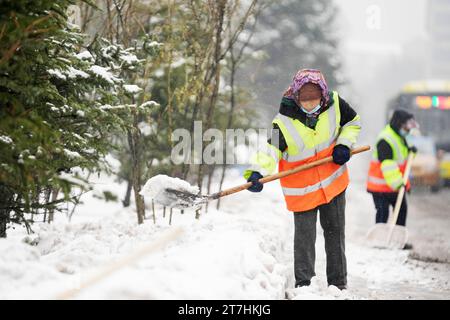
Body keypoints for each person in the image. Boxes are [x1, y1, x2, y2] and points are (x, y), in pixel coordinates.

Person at [244, 69, 361, 290]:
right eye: (305, 102)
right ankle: (303, 285)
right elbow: (271, 149)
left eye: (314, 101)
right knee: (304, 239)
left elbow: (352, 123)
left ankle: (338, 284)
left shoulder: (336, 104)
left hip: (333, 184)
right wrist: (257, 172)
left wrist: (344, 144)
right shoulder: (284, 120)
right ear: (297, 97)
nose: (309, 106)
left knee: (335, 235)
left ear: (323, 95)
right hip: (303, 189)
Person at [366, 110, 418, 247]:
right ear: (399, 124)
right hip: (381, 186)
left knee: (401, 210)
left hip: (394, 184)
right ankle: (380, 240)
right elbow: (388, 165)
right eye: (406, 126)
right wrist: (399, 184)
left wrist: (411, 150)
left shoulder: (399, 137)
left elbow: (401, 160)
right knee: (383, 212)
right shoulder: (385, 139)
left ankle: (397, 241)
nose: (408, 129)